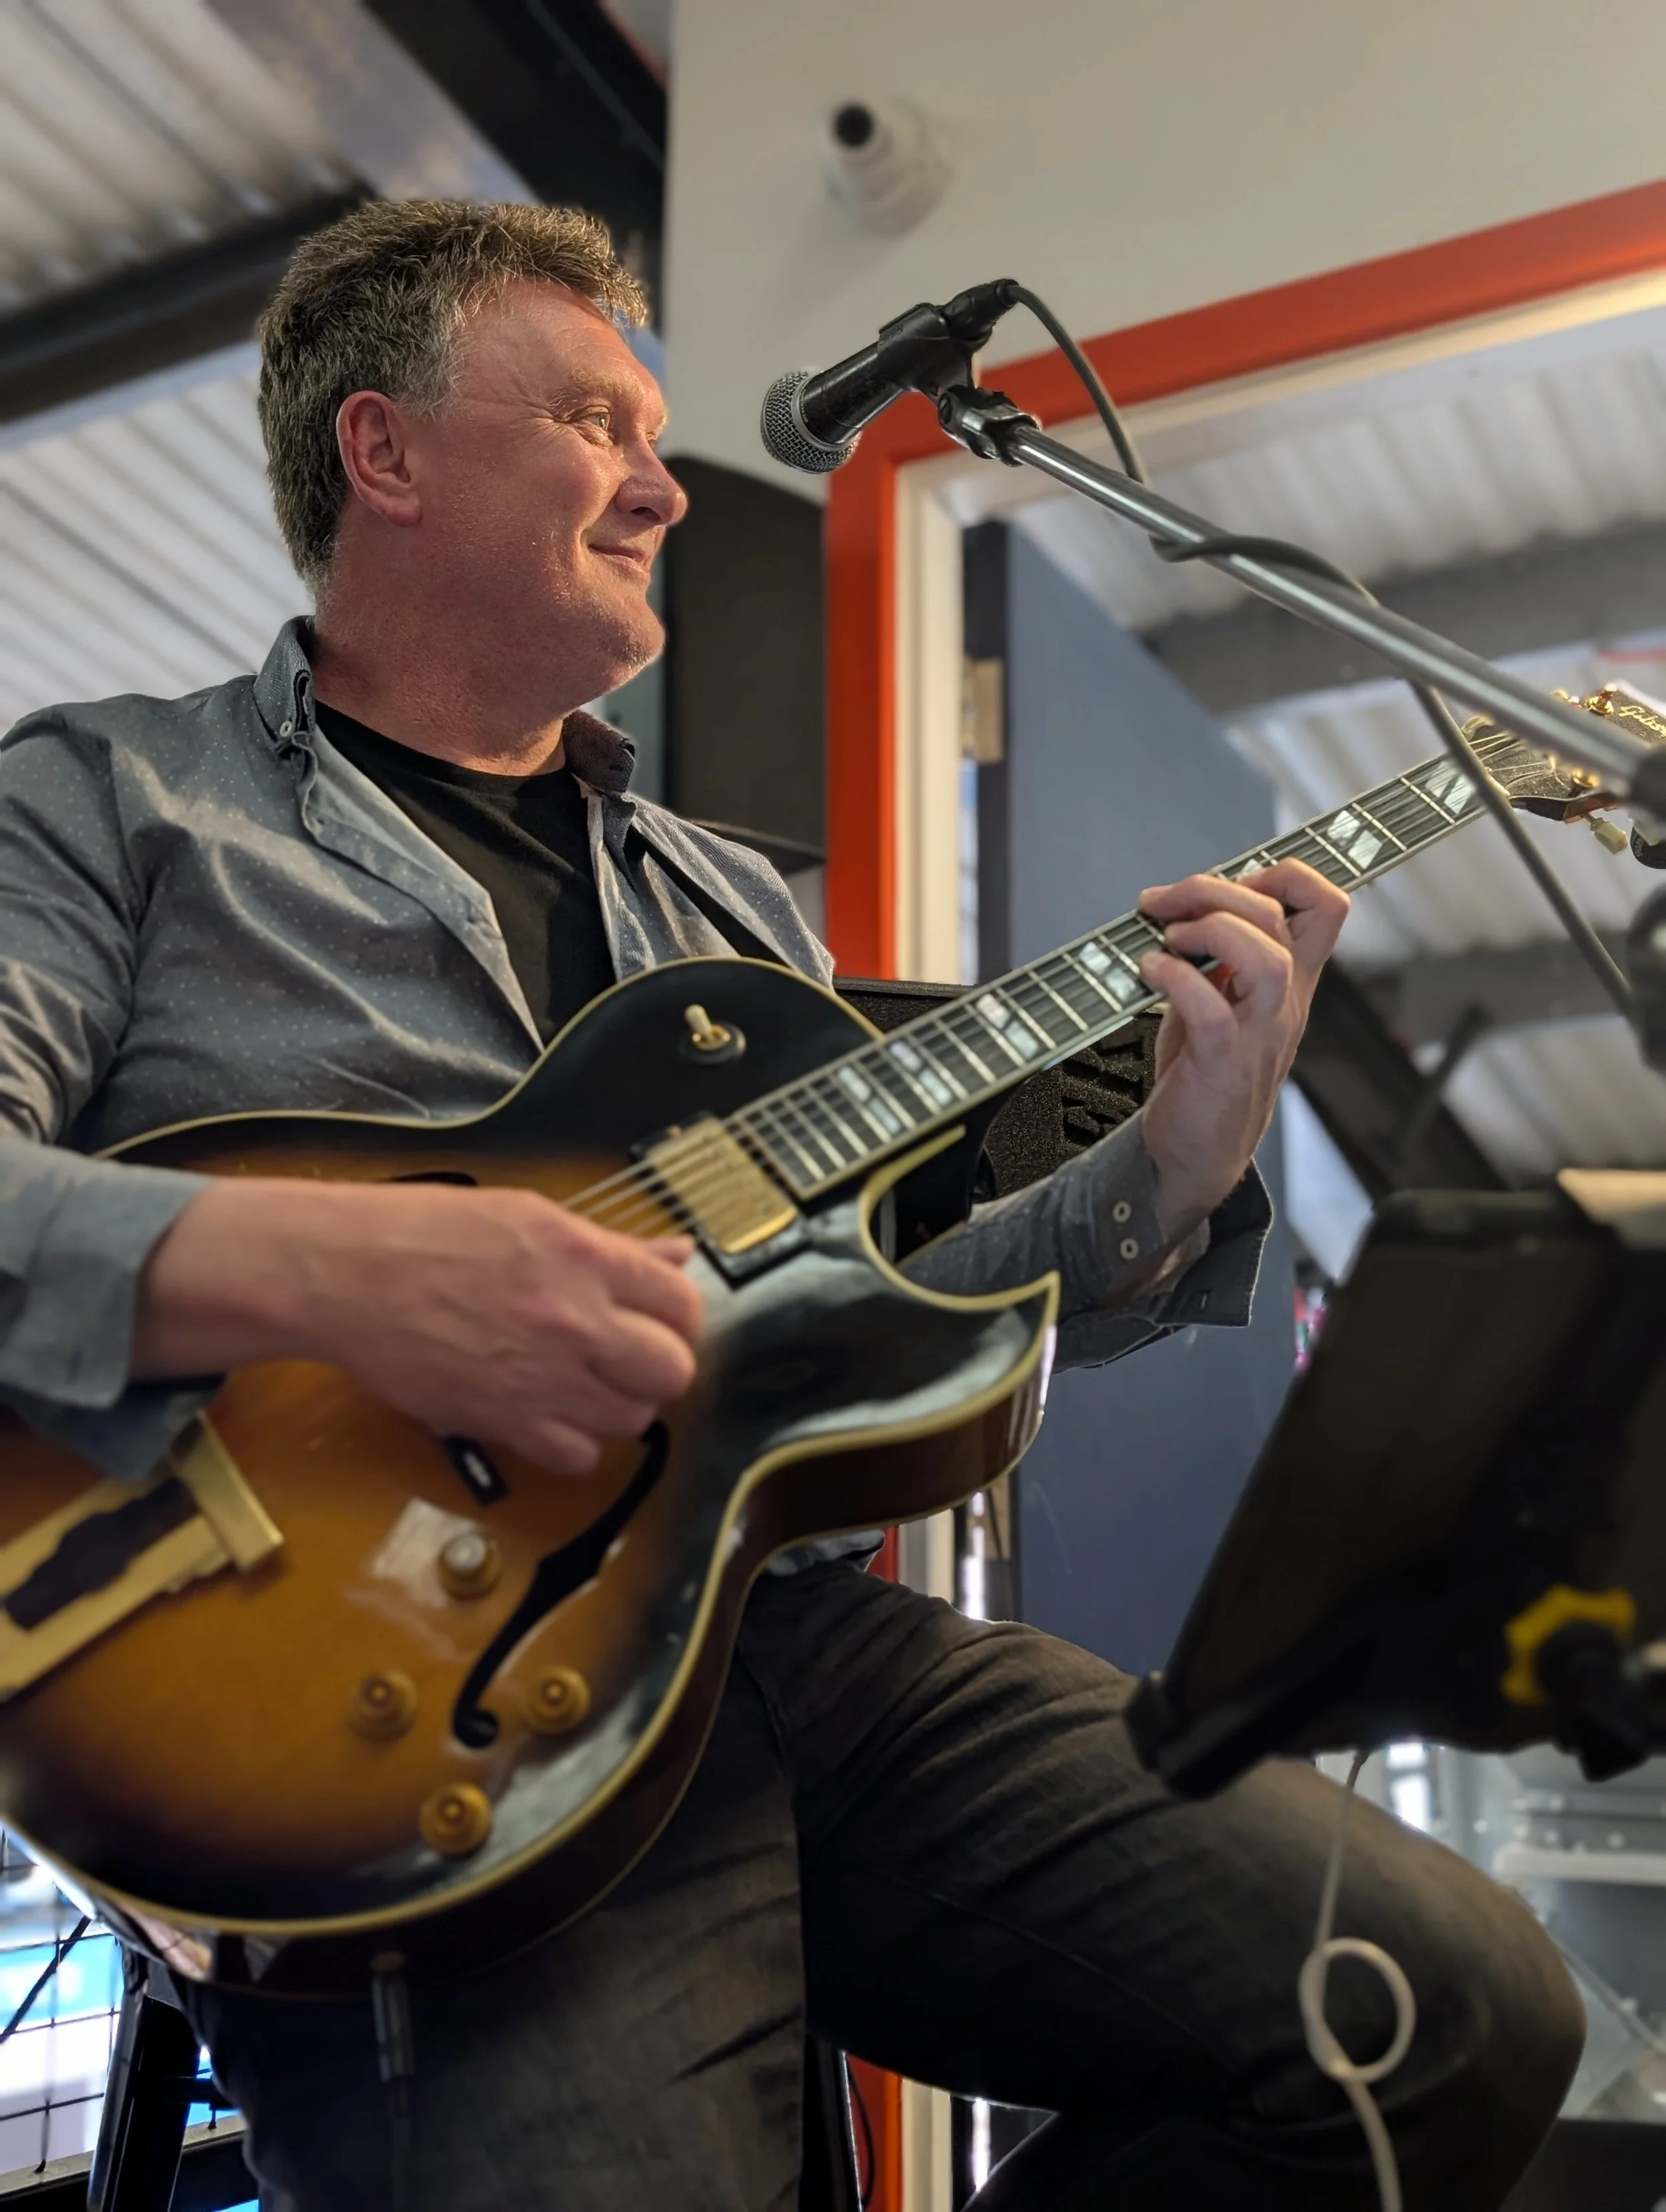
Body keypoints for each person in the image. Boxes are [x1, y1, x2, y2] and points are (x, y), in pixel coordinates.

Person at [0, 201, 1579, 2210]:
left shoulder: (729, 915)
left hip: (800, 1648)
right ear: (382, 455)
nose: (666, 482)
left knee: (1441, 2016)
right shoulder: (110, 804)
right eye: (592, 420)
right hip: (393, 1715)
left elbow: (888, 1295)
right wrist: (345, 1268)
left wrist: (1168, 1172)